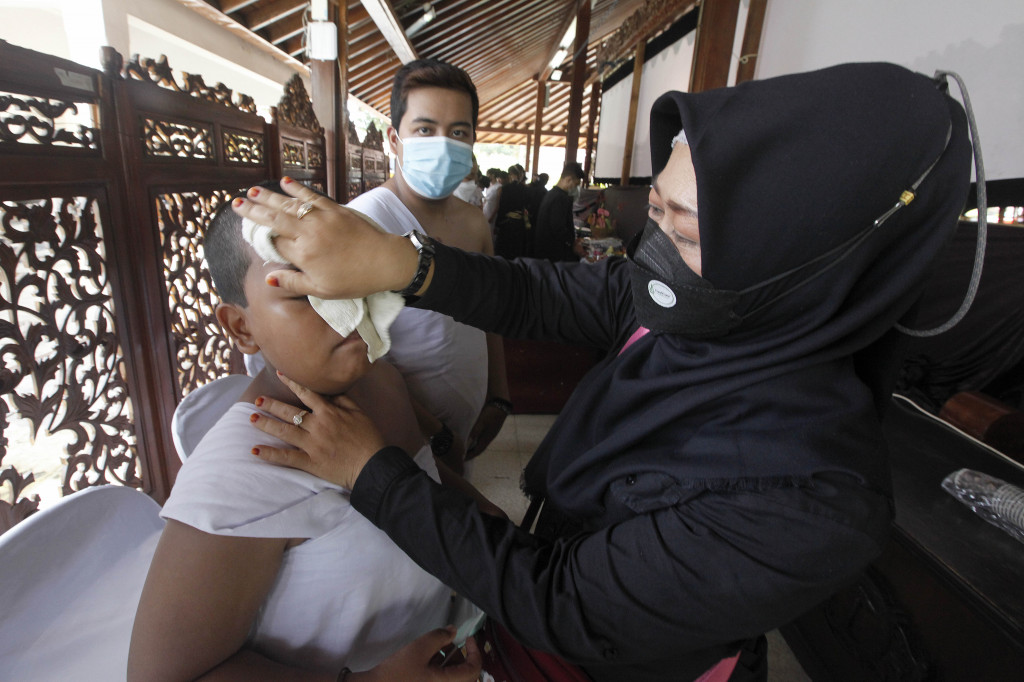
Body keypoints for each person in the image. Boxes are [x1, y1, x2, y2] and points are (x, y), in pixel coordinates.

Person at [233, 63, 972, 681]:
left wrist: (376, 475)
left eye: (681, 230)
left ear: (800, 258)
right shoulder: (702, 302)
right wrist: (403, 263)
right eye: (654, 210)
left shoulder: (811, 497)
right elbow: (537, 294)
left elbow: (557, 601)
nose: (650, 251)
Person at [128, 186, 484, 682]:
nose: (347, 308)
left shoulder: (379, 379)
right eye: (302, 295)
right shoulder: (241, 472)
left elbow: (427, 478)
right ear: (241, 328)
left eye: (348, 276)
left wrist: (504, 548)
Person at [345, 59, 511, 475]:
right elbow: (354, 358)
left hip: (467, 422)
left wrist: (499, 396)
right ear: (393, 140)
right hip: (398, 431)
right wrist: (434, 433)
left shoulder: (473, 221)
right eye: (424, 129)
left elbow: (492, 312)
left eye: (458, 132)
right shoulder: (363, 224)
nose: (443, 144)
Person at [533, 162, 585, 262]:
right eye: (576, 184)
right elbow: (558, 228)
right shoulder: (560, 198)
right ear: (569, 179)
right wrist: (572, 243)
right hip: (554, 255)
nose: (576, 189)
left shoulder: (552, 194)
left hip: (545, 253)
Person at [494, 164, 530, 258]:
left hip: (507, 223)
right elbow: (527, 207)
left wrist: (498, 223)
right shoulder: (526, 189)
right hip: (520, 223)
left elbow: (501, 207)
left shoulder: (504, 188)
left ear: (510, 174)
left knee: (505, 250)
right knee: (517, 249)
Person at [481, 167, 503, 239]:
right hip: (485, 209)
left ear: (492, 175)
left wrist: (492, 216)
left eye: (488, 175)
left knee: (490, 233)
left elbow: (498, 203)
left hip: (492, 210)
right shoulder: (489, 185)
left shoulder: (499, 187)